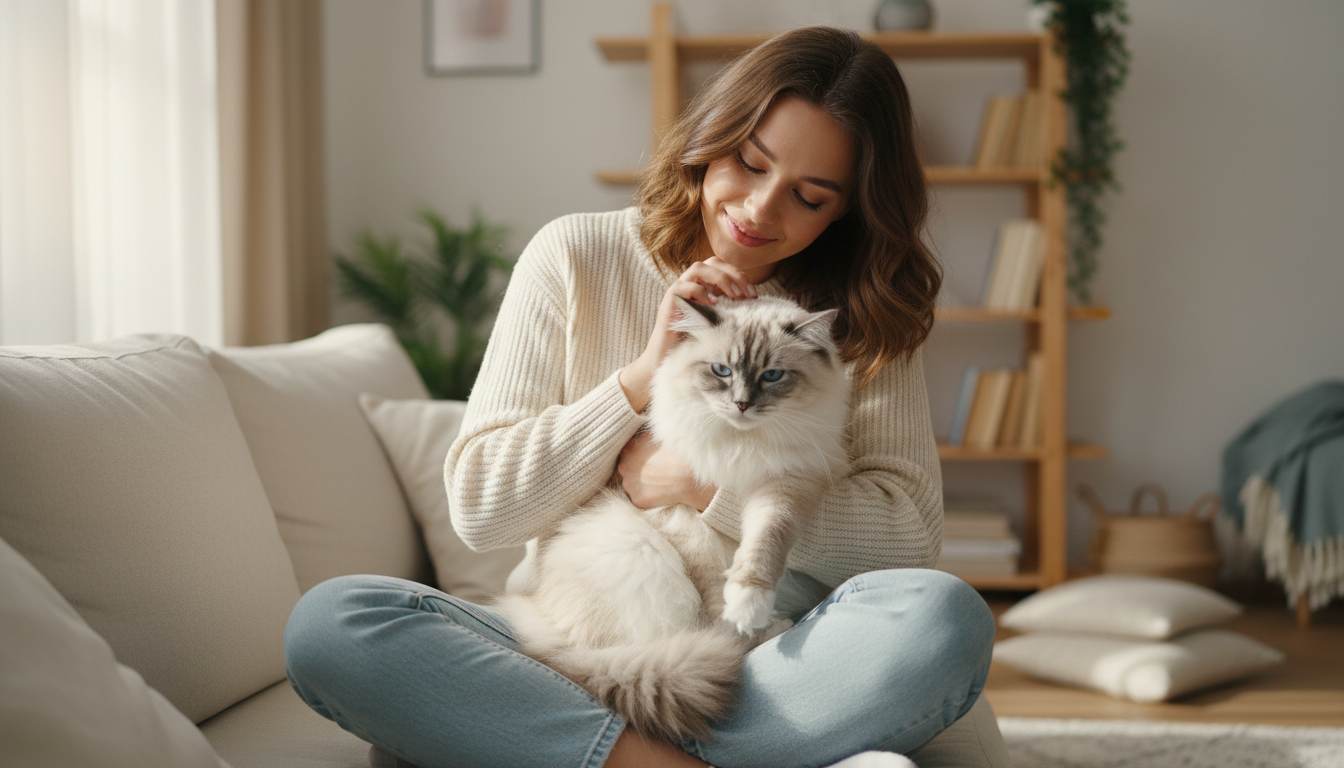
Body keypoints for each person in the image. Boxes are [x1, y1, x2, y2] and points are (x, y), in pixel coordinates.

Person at [284, 26, 995, 768]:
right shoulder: (575, 256)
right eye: (749, 163)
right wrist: (642, 376)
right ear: (713, 134)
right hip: (577, 637)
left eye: (809, 197)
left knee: (943, 619)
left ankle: (559, 746)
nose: (758, 209)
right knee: (333, 624)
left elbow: (908, 538)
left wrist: (702, 483)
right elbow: (482, 510)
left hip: (770, 651)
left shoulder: (856, 314)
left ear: (845, 210)